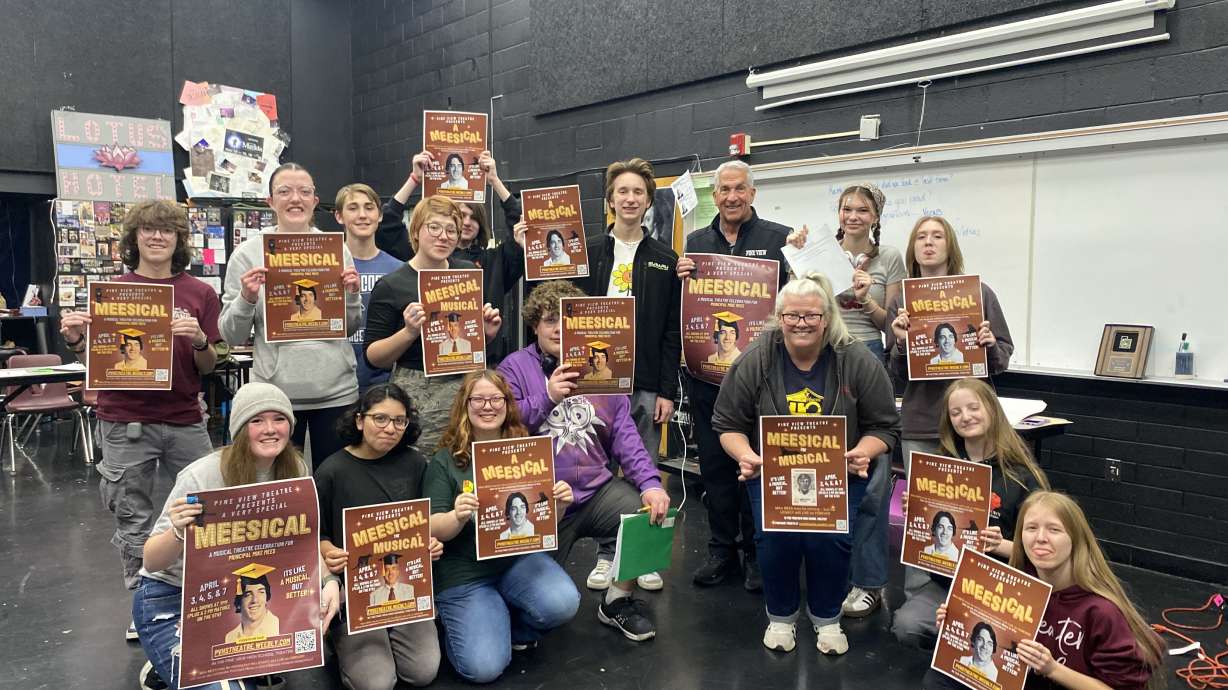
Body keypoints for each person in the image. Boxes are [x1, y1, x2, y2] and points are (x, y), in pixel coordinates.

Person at [59, 199, 221, 642]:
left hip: (185, 418)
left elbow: (209, 366)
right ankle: (144, 604)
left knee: (207, 506)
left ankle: (205, 592)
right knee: (133, 517)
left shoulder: (200, 294)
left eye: (167, 230)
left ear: (179, 239)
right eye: (148, 229)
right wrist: (77, 341)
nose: (157, 237)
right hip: (124, 420)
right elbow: (98, 363)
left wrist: (200, 339)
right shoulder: (111, 292)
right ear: (133, 238)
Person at [712, 273, 899, 655]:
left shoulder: (856, 358)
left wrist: (864, 451)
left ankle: (827, 619)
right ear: (779, 318)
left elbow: (884, 426)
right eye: (792, 315)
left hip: (839, 471)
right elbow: (728, 424)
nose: (801, 323)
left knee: (830, 543)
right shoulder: (756, 358)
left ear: (826, 318)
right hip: (770, 471)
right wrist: (745, 455)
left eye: (811, 315)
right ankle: (781, 618)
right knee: (774, 542)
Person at [132, 382, 341, 690]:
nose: (270, 429)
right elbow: (151, 562)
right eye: (257, 420)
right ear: (240, 429)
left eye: (279, 419)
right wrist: (177, 532)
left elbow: (303, 543)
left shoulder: (295, 467)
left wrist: (329, 581)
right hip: (173, 594)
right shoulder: (201, 475)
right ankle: (169, 653)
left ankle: (176, 665)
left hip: (238, 594)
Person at [498, 280, 672, 639]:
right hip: (543, 502)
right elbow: (502, 428)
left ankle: (617, 602)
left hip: (595, 492)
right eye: (550, 320)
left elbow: (626, 436)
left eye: (567, 321)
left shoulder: (601, 371)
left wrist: (652, 484)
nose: (558, 329)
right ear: (534, 325)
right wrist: (547, 396)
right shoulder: (514, 367)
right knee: (533, 610)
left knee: (649, 516)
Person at [786, 182, 905, 618]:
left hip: (868, 357)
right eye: (846, 208)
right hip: (821, 356)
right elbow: (797, 307)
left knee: (870, 477)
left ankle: (868, 582)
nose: (853, 216)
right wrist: (797, 255)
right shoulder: (818, 250)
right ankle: (823, 573)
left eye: (862, 210)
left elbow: (892, 327)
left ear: (875, 216)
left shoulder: (889, 258)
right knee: (817, 467)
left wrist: (864, 297)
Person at [676, 159, 790, 591]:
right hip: (707, 380)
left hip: (762, 381)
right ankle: (721, 550)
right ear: (715, 195)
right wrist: (680, 279)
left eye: (739, 188)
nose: (731, 196)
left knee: (756, 466)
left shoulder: (779, 239)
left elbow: (801, 298)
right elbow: (684, 306)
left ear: (752, 193)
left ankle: (758, 554)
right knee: (716, 468)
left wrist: (801, 256)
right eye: (724, 189)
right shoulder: (696, 244)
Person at [426, 370, 579, 683]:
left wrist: (560, 505)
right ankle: (466, 623)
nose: (488, 406)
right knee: (483, 668)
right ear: (465, 405)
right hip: (464, 574)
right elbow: (432, 528)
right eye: (478, 399)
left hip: (515, 561)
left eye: (496, 399)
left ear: (507, 404)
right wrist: (457, 516)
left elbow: (542, 524)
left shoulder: (525, 450)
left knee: (562, 603)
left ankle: (513, 624)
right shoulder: (445, 460)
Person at [571, 158, 681, 592]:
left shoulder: (665, 259)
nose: (630, 199)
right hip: (595, 383)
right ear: (610, 200)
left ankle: (640, 559)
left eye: (638, 192)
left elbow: (671, 331)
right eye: (623, 191)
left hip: (645, 383)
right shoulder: (588, 253)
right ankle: (606, 556)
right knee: (602, 472)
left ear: (648, 201)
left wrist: (667, 391)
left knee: (643, 472)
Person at [925, 491, 1164, 689]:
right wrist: (957, 620)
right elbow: (994, 648)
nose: (1040, 538)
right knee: (938, 679)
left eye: (1054, 530)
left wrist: (1052, 668)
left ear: (1076, 539)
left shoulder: (1101, 610)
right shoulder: (1018, 585)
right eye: (1031, 528)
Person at [220, 163, 363, 469]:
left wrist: (351, 296)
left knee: (334, 481)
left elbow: (349, 327)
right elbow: (231, 335)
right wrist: (246, 298)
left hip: (336, 393)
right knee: (279, 484)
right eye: (284, 191)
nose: (295, 199)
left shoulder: (336, 250)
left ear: (314, 201)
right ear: (270, 201)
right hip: (275, 396)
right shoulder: (247, 254)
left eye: (304, 192)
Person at [892, 377, 1050, 651]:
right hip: (951, 584)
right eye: (956, 412)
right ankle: (955, 645)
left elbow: (1045, 551)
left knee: (1004, 643)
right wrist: (918, 514)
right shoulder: (940, 469)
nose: (965, 417)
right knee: (907, 625)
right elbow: (932, 542)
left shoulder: (1022, 476)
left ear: (992, 409)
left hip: (1003, 590)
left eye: (973, 408)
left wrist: (1000, 545)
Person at [315, 383, 441, 689]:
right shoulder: (331, 471)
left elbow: (426, 521)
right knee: (376, 683)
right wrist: (328, 551)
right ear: (360, 420)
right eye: (380, 418)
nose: (390, 428)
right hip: (354, 593)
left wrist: (431, 542)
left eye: (399, 421)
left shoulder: (414, 463)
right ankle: (338, 638)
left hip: (406, 587)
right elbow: (317, 534)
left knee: (423, 671)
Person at [363, 195, 503, 452]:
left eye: (451, 230)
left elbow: (470, 339)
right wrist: (408, 332)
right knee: (424, 462)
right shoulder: (392, 285)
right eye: (434, 227)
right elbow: (373, 357)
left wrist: (486, 333)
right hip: (419, 393)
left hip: (467, 387)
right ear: (416, 231)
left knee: (469, 459)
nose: (443, 236)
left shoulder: (467, 273)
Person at [374, 150, 525, 363]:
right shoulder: (424, 255)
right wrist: (414, 178)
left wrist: (494, 180)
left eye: (474, 217)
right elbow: (386, 225)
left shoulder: (494, 261)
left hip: (481, 363)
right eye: (462, 216)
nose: (467, 222)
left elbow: (522, 225)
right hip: (423, 368)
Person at [886, 216, 1013, 468]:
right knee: (925, 495)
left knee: (974, 493)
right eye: (921, 237)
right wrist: (901, 344)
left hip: (973, 422)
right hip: (923, 424)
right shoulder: (901, 302)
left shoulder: (979, 293)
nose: (928, 242)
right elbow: (897, 373)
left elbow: (1002, 361)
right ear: (913, 248)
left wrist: (990, 347)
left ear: (950, 246)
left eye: (937, 236)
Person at [336, 183, 403, 389]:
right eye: (353, 208)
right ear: (339, 216)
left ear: (380, 215)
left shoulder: (399, 269)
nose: (362, 215)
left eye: (369, 207)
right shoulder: (327, 267)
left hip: (384, 383)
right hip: (335, 382)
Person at [225, 572, 280, 642]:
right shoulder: (230, 637)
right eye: (248, 594)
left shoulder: (277, 625)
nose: (255, 600)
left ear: (267, 596)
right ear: (239, 601)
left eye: (261, 592)